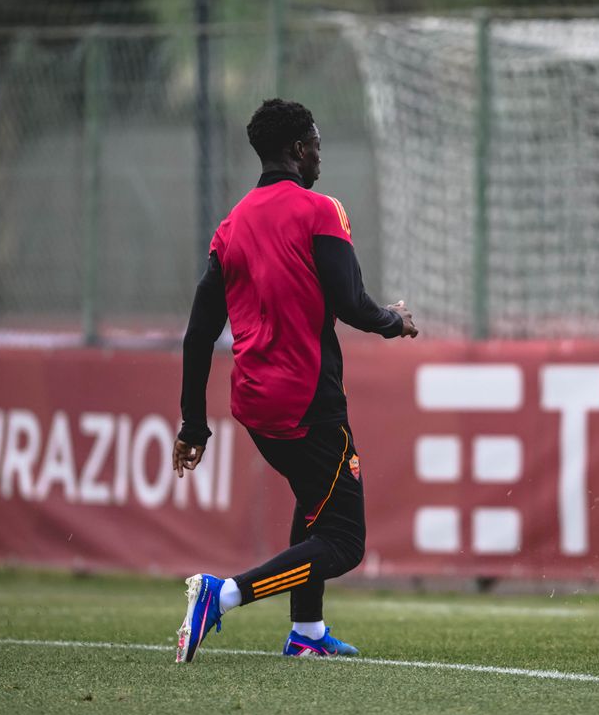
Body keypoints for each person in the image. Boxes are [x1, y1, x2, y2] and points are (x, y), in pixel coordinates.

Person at [172, 98, 418, 663]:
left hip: (256, 404)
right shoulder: (318, 211)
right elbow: (351, 304)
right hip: (309, 400)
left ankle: (306, 634)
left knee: (314, 504)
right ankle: (222, 593)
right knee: (344, 541)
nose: (319, 156)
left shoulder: (230, 226)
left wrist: (193, 424)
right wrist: (395, 322)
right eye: (315, 145)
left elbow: (198, 333)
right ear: (295, 150)